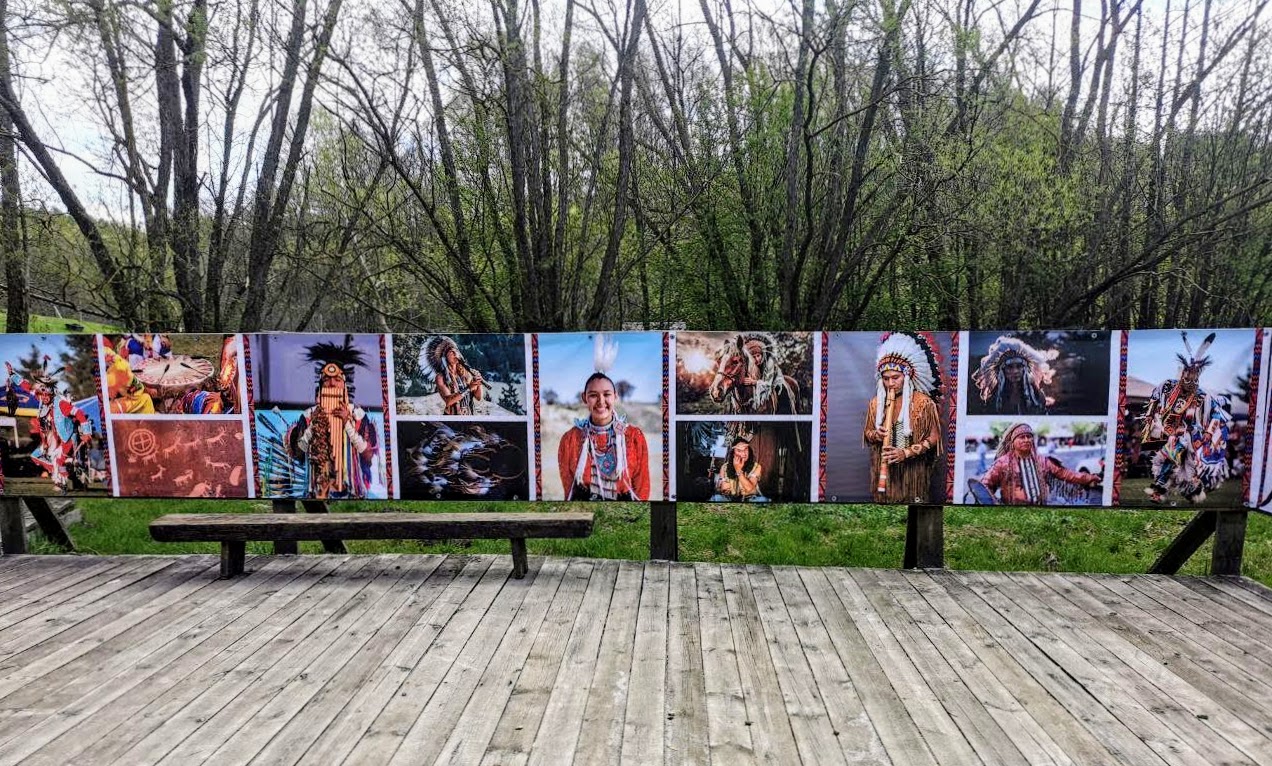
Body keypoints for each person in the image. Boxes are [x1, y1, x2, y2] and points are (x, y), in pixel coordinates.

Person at [284, 335, 381, 499]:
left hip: (350, 488)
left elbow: (368, 455)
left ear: (344, 385)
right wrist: (313, 426)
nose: (332, 383)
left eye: (337, 379)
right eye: (327, 379)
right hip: (318, 489)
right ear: (321, 385)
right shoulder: (308, 415)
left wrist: (347, 424)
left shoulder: (358, 415)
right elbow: (299, 454)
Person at [1140, 332, 1231, 503]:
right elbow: (1155, 400)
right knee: (1170, 461)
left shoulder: (1203, 396)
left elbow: (1216, 414)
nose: (1191, 380)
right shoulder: (1168, 387)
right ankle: (1183, 492)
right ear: (1183, 374)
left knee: (1181, 462)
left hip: (1191, 435)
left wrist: (1208, 433)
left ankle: (1167, 490)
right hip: (1170, 432)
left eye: (1194, 377)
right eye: (1188, 375)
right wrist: (1153, 418)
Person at [863, 332, 943, 503]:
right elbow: (868, 433)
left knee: (913, 500)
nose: (890, 384)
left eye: (895, 378)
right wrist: (876, 435)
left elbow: (934, 437)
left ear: (906, 377)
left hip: (912, 471)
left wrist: (905, 452)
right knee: (885, 504)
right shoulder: (876, 403)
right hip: (885, 472)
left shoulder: (924, 402)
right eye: (886, 379)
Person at [5, 360, 93, 494]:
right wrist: (12, 375)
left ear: (52, 394)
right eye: (43, 394)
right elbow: (27, 387)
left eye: (47, 395)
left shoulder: (61, 404)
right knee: (36, 456)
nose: (44, 397)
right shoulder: (41, 399)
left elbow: (79, 413)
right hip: (51, 440)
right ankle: (65, 471)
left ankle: (62, 482)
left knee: (58, 460)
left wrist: (86, 432)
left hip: (67, 438)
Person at [557, 372, 650, 501]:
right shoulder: (570, 440)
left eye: (607, 394)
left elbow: (642, 489)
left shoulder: (634, 437)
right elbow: (569, 492)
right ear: (584, 398)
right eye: (593, 395)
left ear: (615, 396)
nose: (601, 401)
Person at [981, 422, 1099, 505]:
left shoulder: (1042, 461)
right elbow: (984, 485)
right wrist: (995, 503)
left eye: (1029, 437)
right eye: (1022, 437)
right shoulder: (1002, 463)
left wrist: (1088, 478)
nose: (1026, 440)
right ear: (1013, 442)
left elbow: (1065, 474)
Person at [972, 336, 1057, 415]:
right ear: (1002, 370)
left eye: (1019, 366)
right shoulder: (993, 398)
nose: (1015, 371)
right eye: (1009, 367)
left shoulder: (1036, 396)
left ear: (1025, 369)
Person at [424, 336, 487, 415]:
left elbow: (478, 397)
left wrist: (478, 383)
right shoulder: (440, 377)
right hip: (452, 419)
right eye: (451, 352)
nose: (455, 354)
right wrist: (468, 388)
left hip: (469, 416)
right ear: (444, 357)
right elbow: (449, 401)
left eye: (456, 351)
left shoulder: (467, 373)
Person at [711, 436, 768, 501]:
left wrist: (738, 469)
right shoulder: (724, 467)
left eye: (745, 449)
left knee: (762, 500)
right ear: (733, 453)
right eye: (739, 450)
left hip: (749, 499)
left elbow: (750, 489)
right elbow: (721, 488)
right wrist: (722, 488)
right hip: (729, 498)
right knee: (716, 498)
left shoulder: (757, 466)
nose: (743, 453)